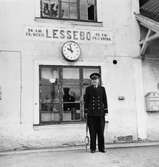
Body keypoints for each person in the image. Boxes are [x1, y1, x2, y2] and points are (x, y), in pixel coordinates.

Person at [84, 73, 108, 153]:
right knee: (92, 132)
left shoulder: (102, 89)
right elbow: (86, 101)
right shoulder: (88, 89)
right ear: (91, 81)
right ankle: (93, 148)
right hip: (91, 114)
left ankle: (101, 148)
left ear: (98, 80)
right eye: (93, 80)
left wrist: (106, 111)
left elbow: (104, 100)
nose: (94, 81)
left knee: (101, 132)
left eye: (96, 79)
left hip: (100, 114)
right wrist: (86, 111)